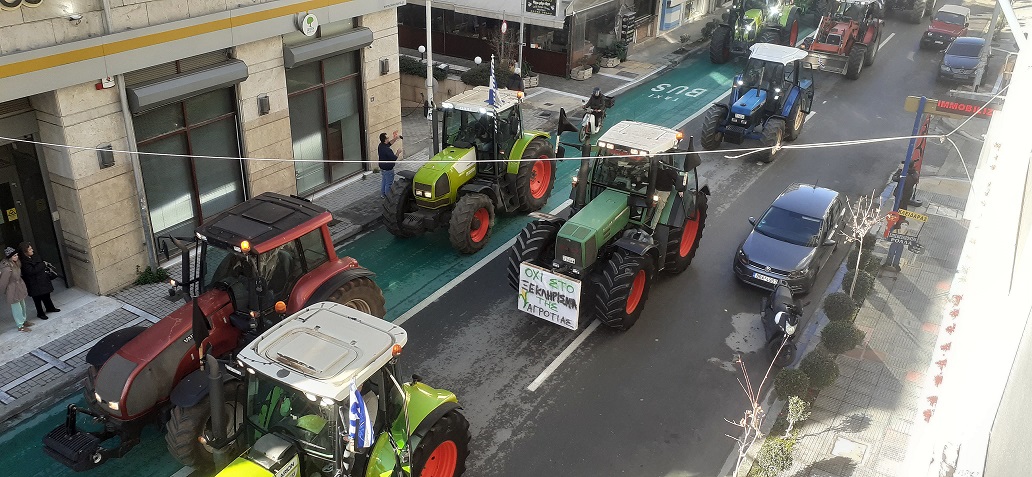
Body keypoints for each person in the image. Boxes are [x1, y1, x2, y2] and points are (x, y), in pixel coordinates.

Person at [19, 242, 59, 320]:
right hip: (33, 283)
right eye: (30, 249)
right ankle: (40, 313)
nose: (32, 250)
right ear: (25, 252)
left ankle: (50, 307)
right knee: (37, 299)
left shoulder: (34, 256)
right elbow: (31, 271)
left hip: (42, 279)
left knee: (46, 295)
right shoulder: (24, 262)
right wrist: (42, 265)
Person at [0, 247, 30, 332]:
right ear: (10, 257)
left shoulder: (16, 264)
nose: (16, 257)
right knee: (16, 308)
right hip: (12, 289)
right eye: (14, 255)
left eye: (16, 255)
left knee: (22, 305)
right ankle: (20, 325)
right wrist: (3, 291)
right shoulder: (7, 268)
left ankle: (24, 321)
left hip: (18, 287)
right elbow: (3, 282)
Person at [378, 131, 401, 198]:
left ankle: (383, 194)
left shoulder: (381, 145)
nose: (389, 139)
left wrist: (396, 138)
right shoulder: (387, 150)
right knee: (389, 183)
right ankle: (388, 197)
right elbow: (394, 158)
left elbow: (389, 143)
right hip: (388, 169)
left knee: (384, 181)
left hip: (382, 167)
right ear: (385, 140)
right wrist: (398, 152)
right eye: (387, 138)